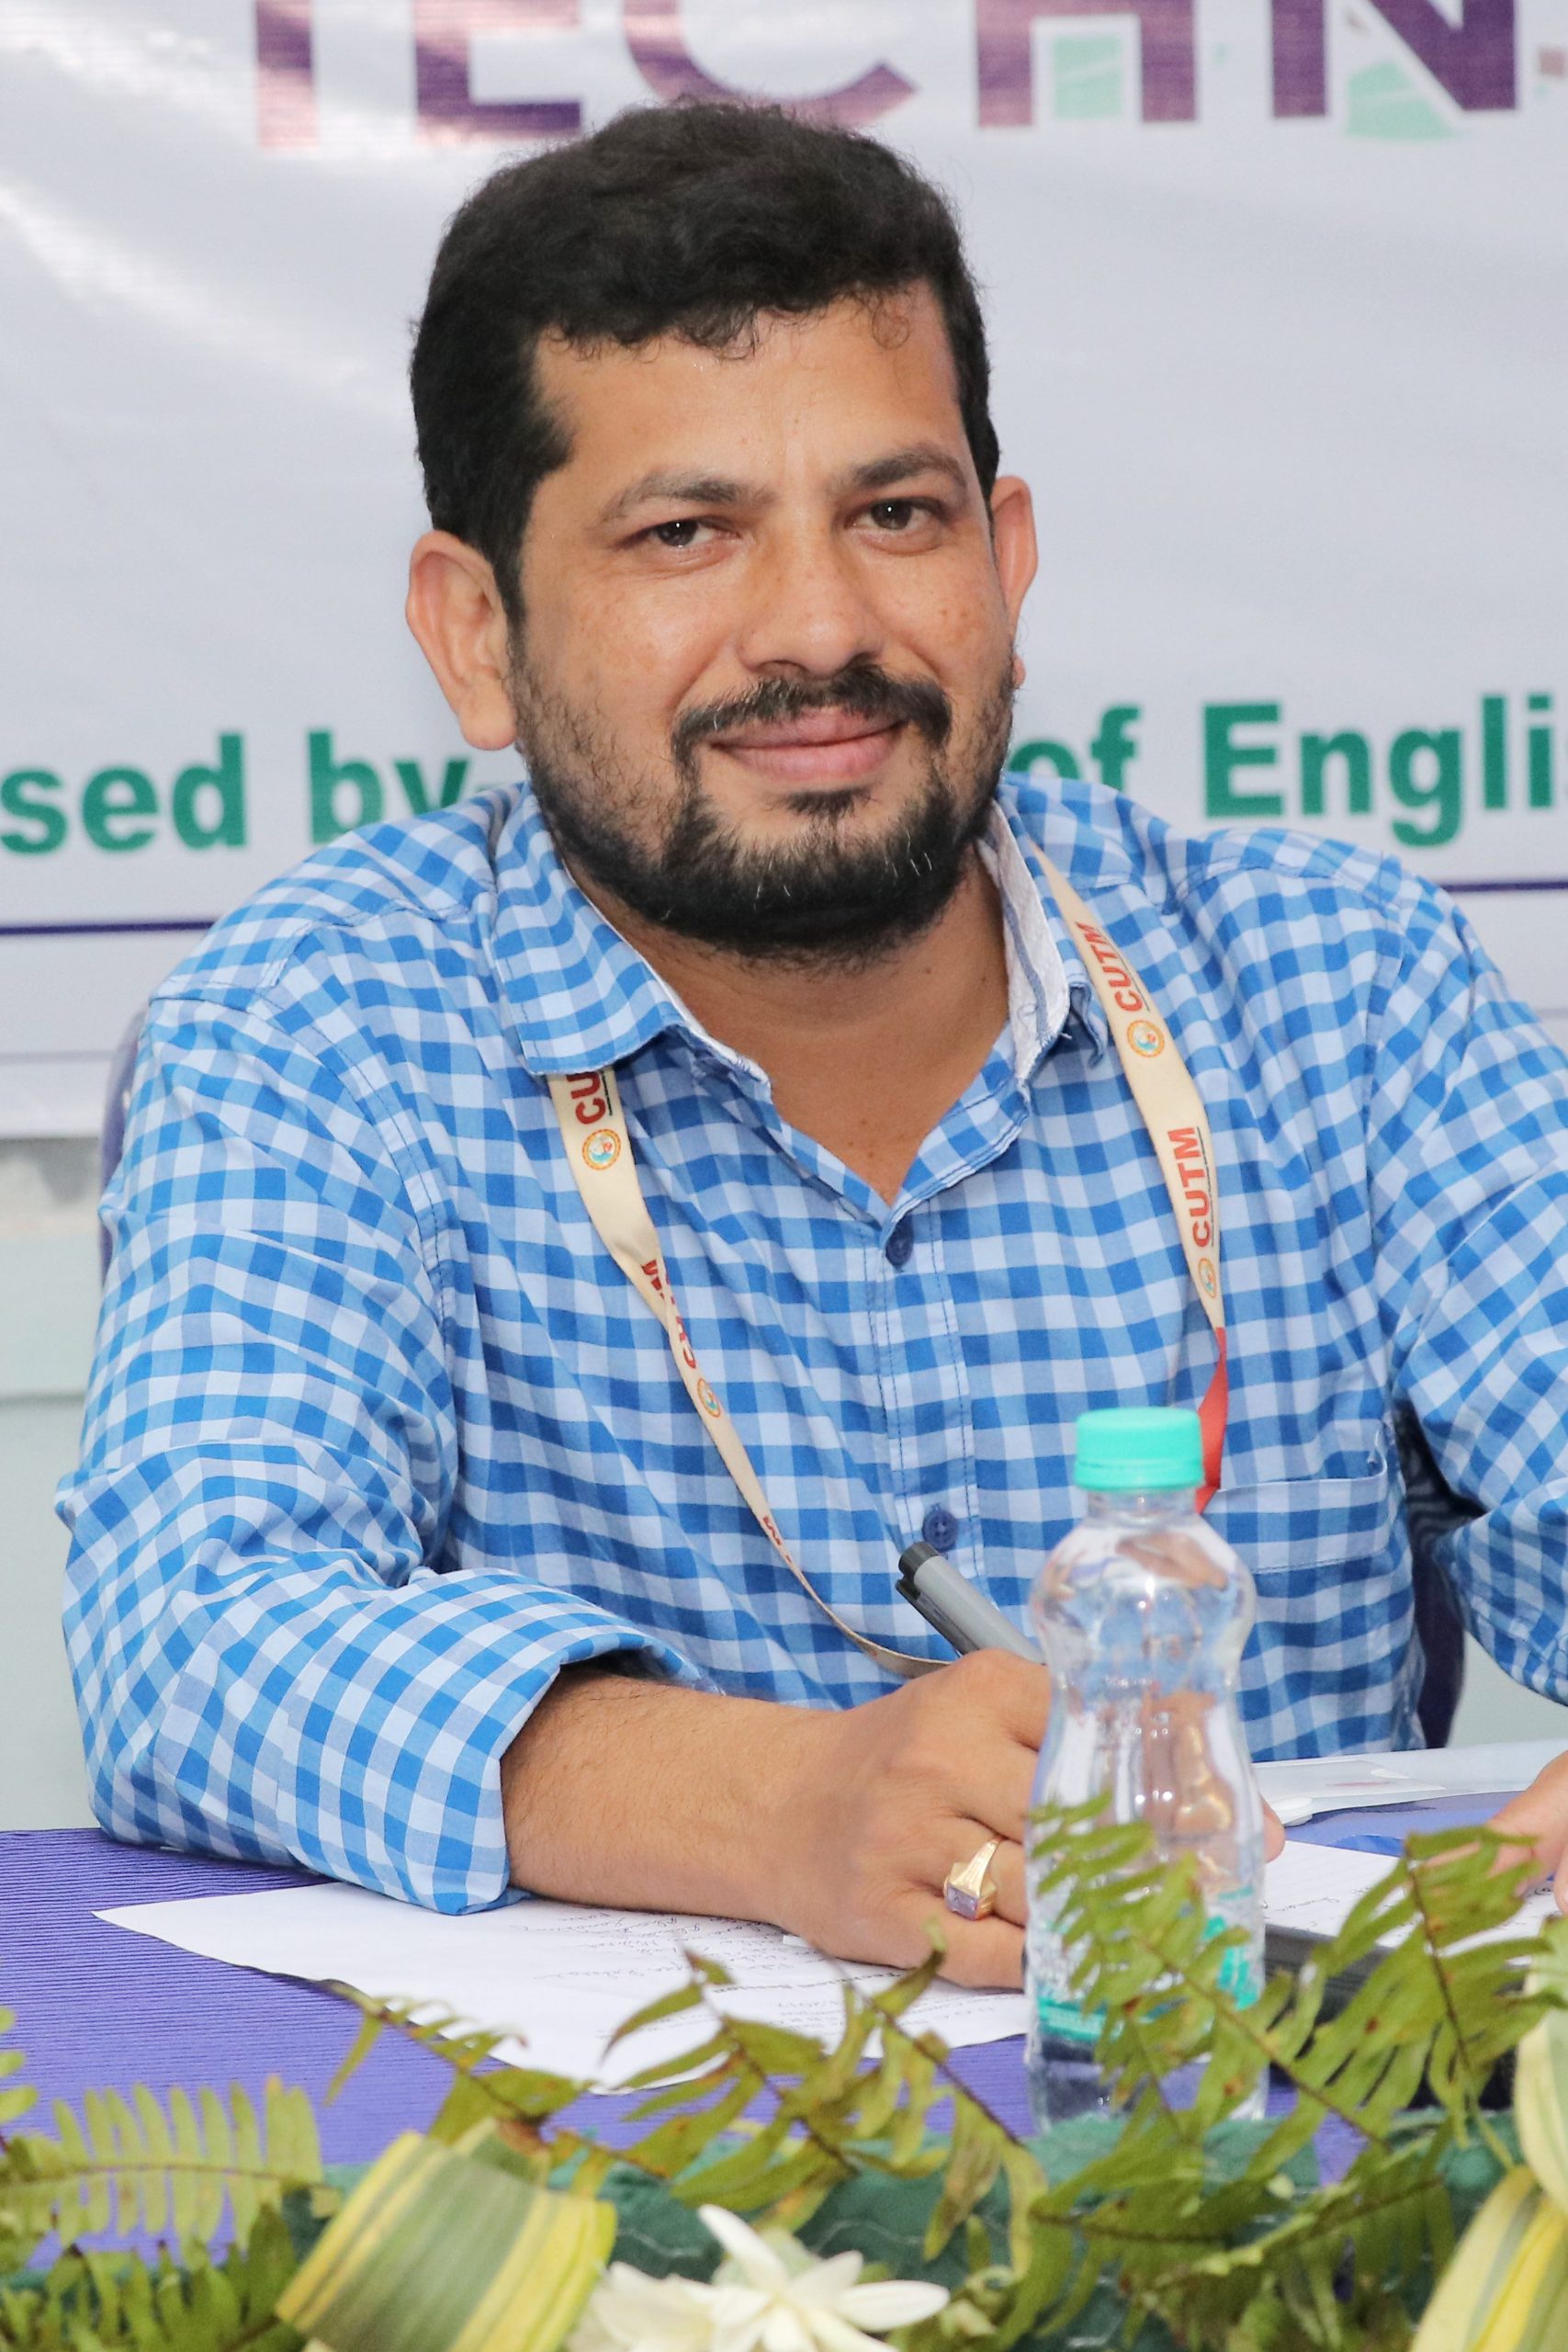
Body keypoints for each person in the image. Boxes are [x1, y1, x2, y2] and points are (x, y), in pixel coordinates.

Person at [60, 103, 1568, 1984]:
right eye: (685, 533)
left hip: (1263, 2118)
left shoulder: (1328, 980)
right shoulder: (325, 1026)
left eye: (894, 516)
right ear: (475, 636)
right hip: (627, 2150)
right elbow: (187, 1630)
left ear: (1005, 559)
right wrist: (777, 1805)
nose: (820, 628)